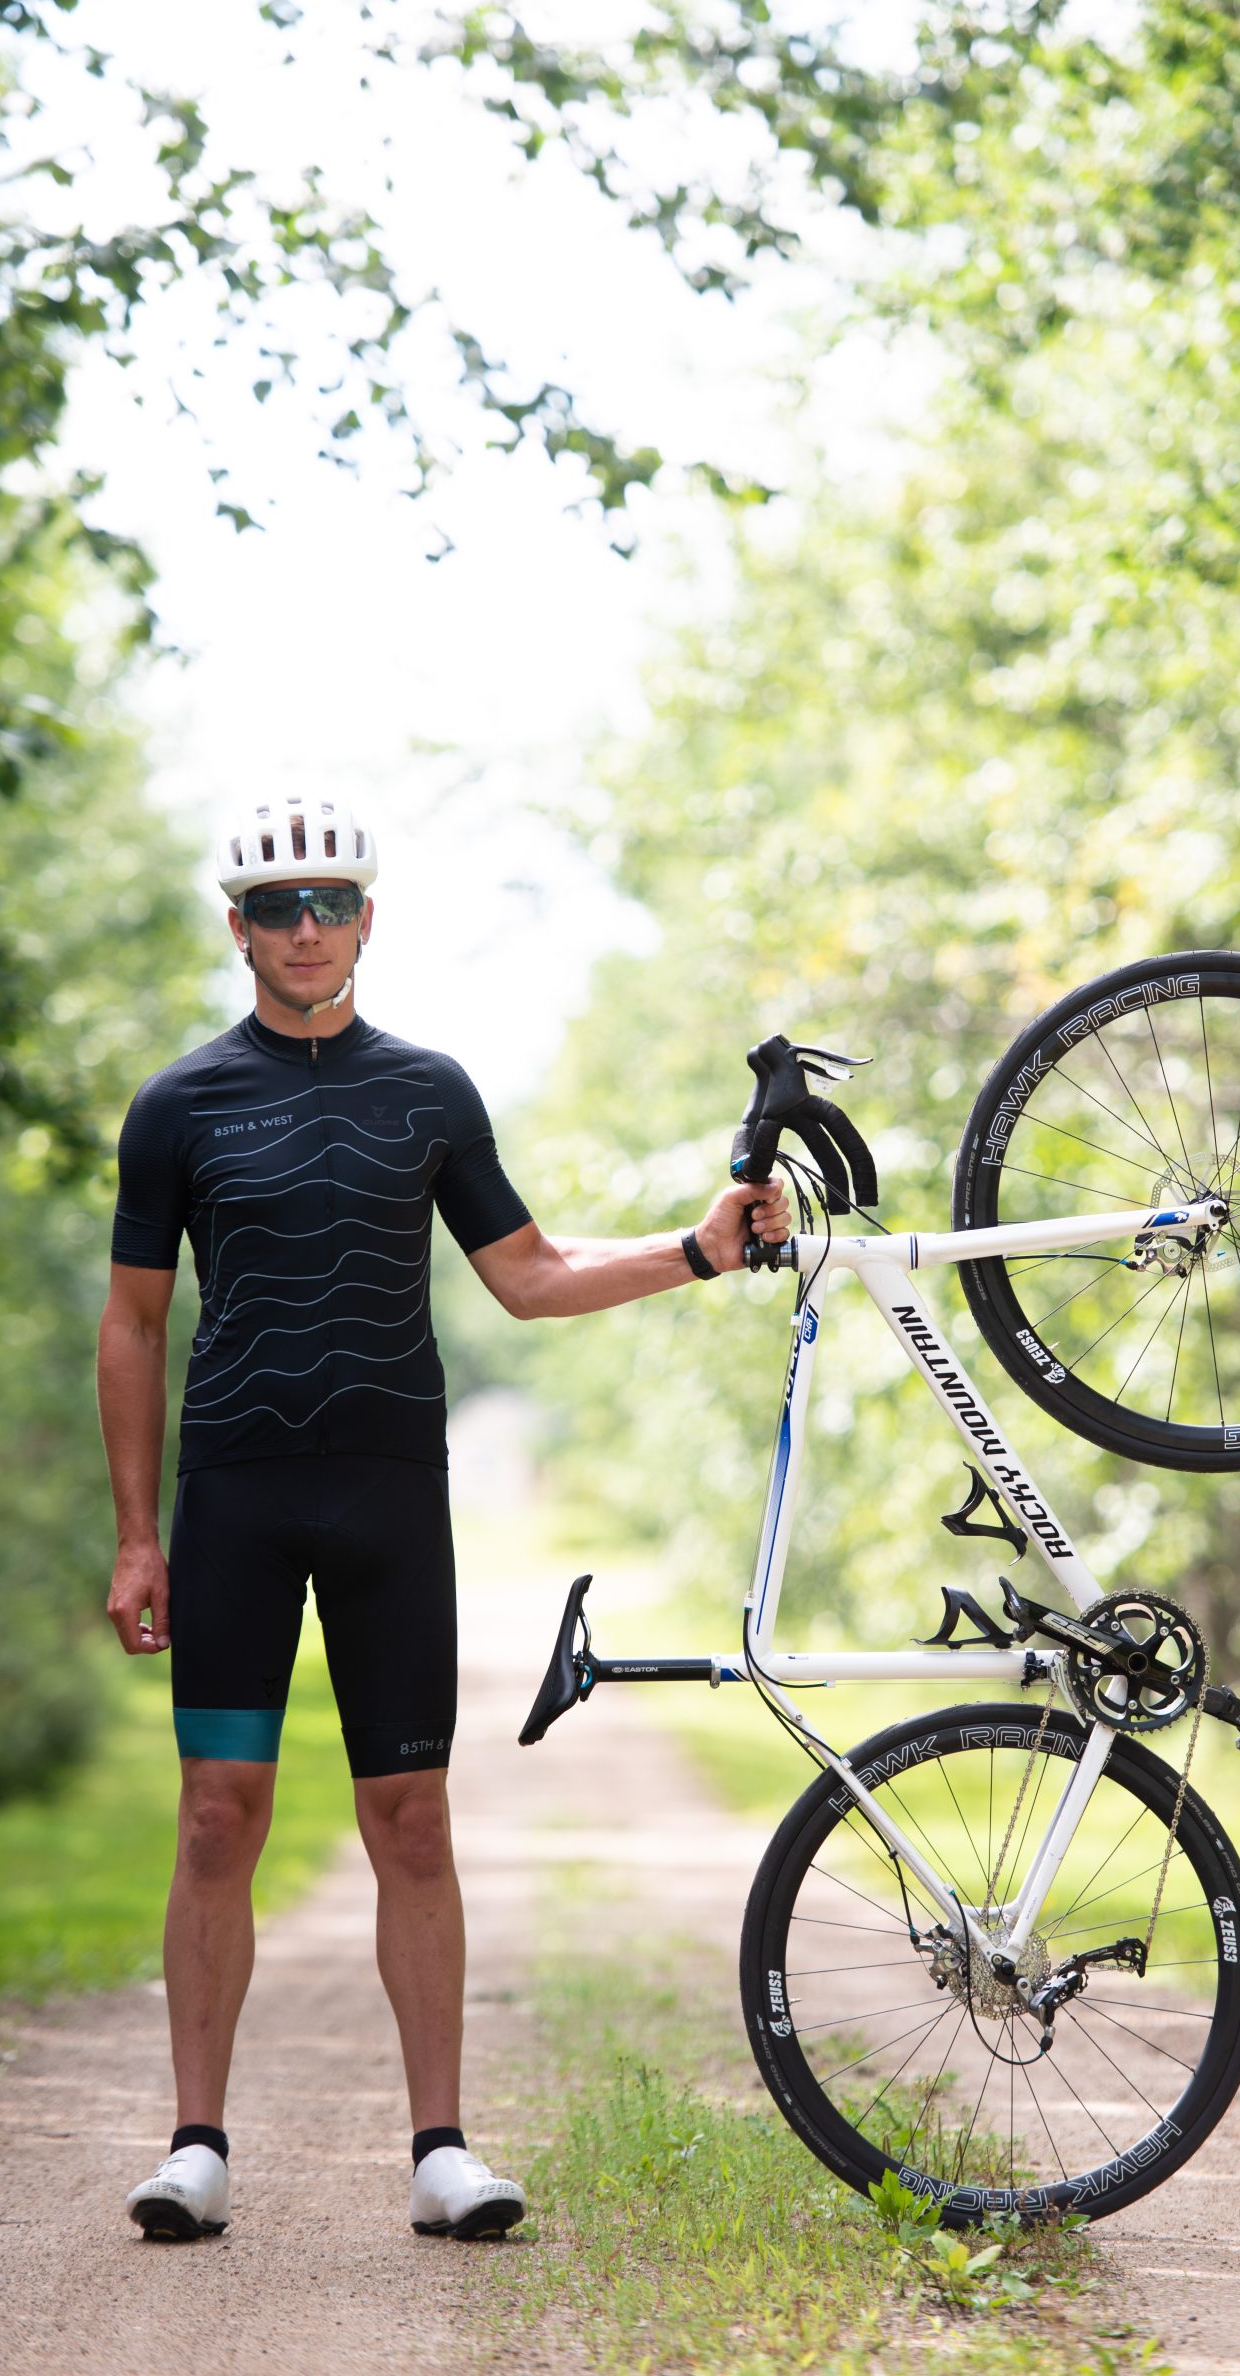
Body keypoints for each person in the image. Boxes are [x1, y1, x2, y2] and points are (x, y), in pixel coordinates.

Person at [98, 787, 788, 2243]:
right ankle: (196, 2148)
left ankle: (442, 2152)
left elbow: (528, 1273)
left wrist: (697, 1251)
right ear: (236, 926)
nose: (304, 927)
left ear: (366, 914)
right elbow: (135, 1324)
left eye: (328, 900)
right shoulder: (176, 1105)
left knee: (411, 1819)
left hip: (389, 1498)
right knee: (218, 1817)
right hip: (233, 1497)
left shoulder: (429, 1091)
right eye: (275, 907)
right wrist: (135, 1532)